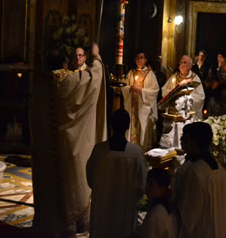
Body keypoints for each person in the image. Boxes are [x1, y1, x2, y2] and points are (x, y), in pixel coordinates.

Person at [31, 43, 107, 238]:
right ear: (65, 63)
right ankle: (72, 225)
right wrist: (96, 57)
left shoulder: (38, 83)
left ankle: (48, 225)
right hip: (69, 145)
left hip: (46, 146)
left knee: (49, 185)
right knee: (72, 184)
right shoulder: (70, 81)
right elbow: (93, 79)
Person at [86, 109, 147, 238]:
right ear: (128, 126)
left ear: (111, 125)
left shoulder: (99, 150)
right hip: (125, 211)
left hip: (102, 209)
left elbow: (90, 179)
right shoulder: (136, 153)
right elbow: (142, 185)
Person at [171, 122, 226, 238]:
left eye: (186, 137)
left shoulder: (196, 170)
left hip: (203, 229)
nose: (181, 139)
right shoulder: (219, 168)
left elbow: (190, 212)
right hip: (221, 226)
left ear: (194, 142)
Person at [159, 55, 205, 150]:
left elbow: (201, 97)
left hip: (187, 115)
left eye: (185, 63)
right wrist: (172, 95)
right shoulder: (174, 76)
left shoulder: (194, 78)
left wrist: (187, 98)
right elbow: (165, 90)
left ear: (190, 66)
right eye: (181, 62)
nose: (182, 65)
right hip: (174, 115)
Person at [122, 51, 159, 151]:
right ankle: (130, 150)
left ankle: (143, 152)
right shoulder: (131, 73)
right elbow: (124, 87)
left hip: (144, 109)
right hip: (132, 107)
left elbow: (155, 90)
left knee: (143, 132)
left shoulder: (150, 74)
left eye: (141, 58)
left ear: (145, 60)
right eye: (137, 58)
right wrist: (129, 89)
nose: (139, 60)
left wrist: (141, 91)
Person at [139, 168, 177, 238]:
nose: (146, 188)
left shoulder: (156, 214)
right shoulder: (163, 207)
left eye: (151, 185)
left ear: (162, 188)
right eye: (146, 183)